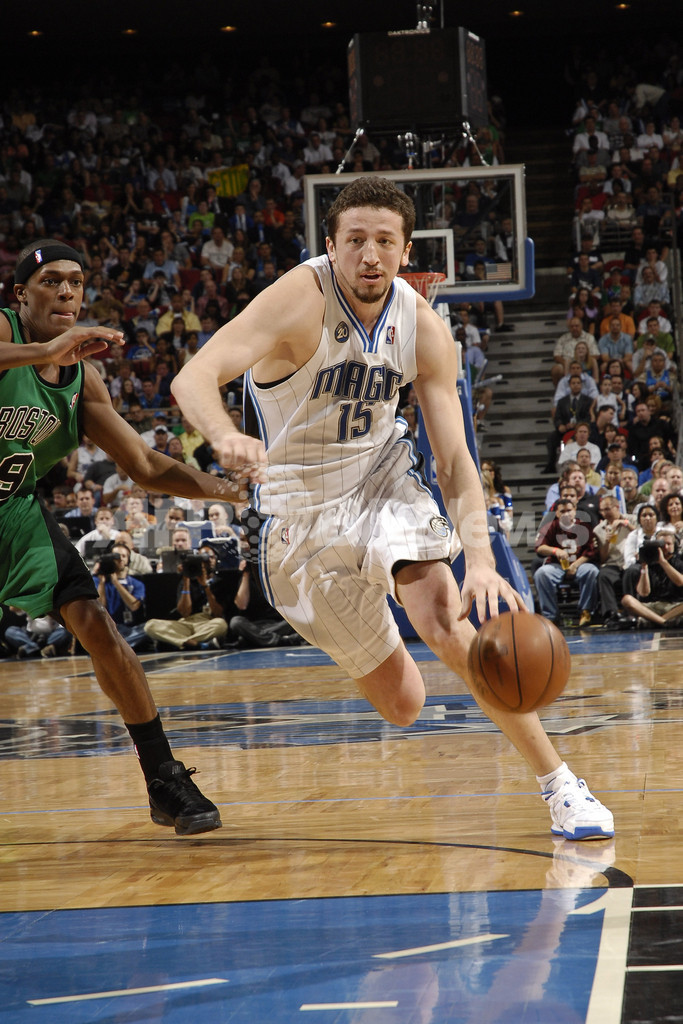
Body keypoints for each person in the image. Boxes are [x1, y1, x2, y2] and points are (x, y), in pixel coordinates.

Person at [170, 176, 614, 841]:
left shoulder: (422, 325)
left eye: (384, 240)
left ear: (406, 251)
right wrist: (223, 435)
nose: (369, 254)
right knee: (405, 705)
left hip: (382, 484)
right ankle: (367, 602)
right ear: (331, 245)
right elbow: (192, 377)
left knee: (443, 617)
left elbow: (454, 460)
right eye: (355, 240)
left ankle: (559, 785)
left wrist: (481, 559)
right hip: (301, 519)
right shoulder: (298, 298)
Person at [0, 238, 251, 836]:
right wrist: (46, 348)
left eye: (76, 281)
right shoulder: (6, 329)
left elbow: (144, 466)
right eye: (51, 281)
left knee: (96, 623)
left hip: (13, 509)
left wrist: (233, 491)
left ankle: (163, 778)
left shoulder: (81, 380)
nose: (66, 291)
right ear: (21, 295)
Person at [534, 497, 599, 628]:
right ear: (557, 513)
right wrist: (555, 550)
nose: (566, 514)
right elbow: (539, 547)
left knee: (592, 571)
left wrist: (575, 565)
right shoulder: (551, 526)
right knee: (541, 574)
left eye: (569, 510)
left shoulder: (584, 526)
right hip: (557, 565)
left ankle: (586, 611)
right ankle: (551, 616)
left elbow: (591, 551)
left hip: (579, 564)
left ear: (575, 510)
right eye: (562, 511)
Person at [621, 528, 683, 628]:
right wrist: (644, 567)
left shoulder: (679, 561)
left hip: (675, 606)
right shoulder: (650, 563)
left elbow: (680, 582)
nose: (665, 547)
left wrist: (663, 562)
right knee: (627, 600)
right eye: (662, 545)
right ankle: (664, 622)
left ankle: (655, 621)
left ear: (675, 545)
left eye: (669, 544)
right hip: (653, 607)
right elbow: (643, 593)